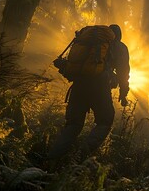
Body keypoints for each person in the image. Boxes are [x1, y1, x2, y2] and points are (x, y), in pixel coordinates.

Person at [48, 24, 130, 160]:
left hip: (79, 84)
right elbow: (123, 72)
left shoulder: (90, 43)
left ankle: (52, 159)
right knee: (105, 121)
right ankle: (80, 157)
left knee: (73, 124)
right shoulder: (120, 47)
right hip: (99, 86)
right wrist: (123, 93)